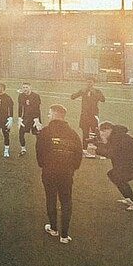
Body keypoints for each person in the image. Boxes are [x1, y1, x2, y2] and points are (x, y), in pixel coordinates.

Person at [36, 104, 83, 244]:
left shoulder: (45, 132)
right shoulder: (73, 133)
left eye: (50, 113)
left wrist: (44, 165)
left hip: (49, 172)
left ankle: (54, 228)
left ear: (55, 114)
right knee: (66, 201)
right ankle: (64, 235)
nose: (48, 116)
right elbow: (78, 154)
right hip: (66, 173)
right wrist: (72, 168)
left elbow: (39, 152)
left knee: (51, 198)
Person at [89, 122, 133, 212]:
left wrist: (96, 149)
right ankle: (129, 198)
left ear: (108, 130)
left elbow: (111, 153)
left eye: (102, 132)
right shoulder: (117, 135)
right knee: (113, 175)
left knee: (117, 176)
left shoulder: (118, 138)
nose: (101, 135)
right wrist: (97, 144)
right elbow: (111, 148)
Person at [71, 78, 105, 153]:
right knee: (85, 132)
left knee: (95, 132)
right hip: (84, 116)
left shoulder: (97, 91)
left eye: (91, 82)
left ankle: (100, 149)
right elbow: (72, 97)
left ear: (93, 83)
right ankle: (85, 149)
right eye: (88, 82)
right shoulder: (83, 91)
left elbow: (103, 99)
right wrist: (80, 92)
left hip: (94, 115)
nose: (89, 83)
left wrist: (95, 93)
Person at [17, 82, 42, 156]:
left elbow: (37, 108)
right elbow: (20, 107)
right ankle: (23, 149)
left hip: (35, 118)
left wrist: (37, 119)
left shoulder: (36, 96)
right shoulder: (21, 96)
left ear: (30, 88)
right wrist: (19, 118)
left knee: (38, 134)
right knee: (21, 132)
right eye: (24, 87)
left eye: (26, 87)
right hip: (25, 118)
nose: (25, 89)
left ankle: (40, 149)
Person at [0, 83, 15, 157]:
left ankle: (6, 151)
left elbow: (11, 109)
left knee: (6, 135)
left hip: (4, 119)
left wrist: (10, 118)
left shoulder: (8, 98)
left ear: (2, 88)